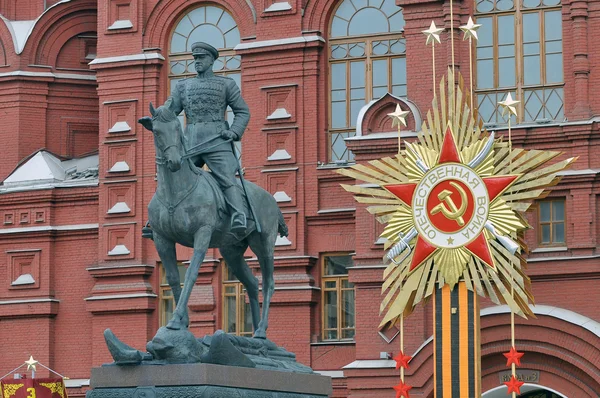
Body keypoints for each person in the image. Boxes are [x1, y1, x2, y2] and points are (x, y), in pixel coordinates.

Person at [163, 41, 250, 234]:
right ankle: (160, 218)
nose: (197, 62)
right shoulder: (183, 86)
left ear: (211, 60)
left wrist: (234, 132)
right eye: (195, 58)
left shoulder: (226, 84)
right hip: (191, 143)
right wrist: (160, 113)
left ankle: (238, 215)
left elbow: (242, 111)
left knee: (227, 178)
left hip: (217, 142)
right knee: (172, 176)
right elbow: (170, 112)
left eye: (201, 58)